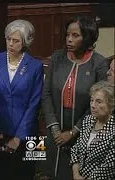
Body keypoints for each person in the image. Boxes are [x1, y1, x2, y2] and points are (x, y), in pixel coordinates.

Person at [41, 16, 109, 180]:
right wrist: (55, 128)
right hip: (51, 130)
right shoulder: (57, 57)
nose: (69, 39)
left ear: (87, 37)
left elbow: (97, 103)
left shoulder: (98, 63)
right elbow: (46, 94)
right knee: (44, 172)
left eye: (75, 35)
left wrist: (73, 131)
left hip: (82, 133)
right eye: (67, 35)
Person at [0, 19, 44, 180]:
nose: (10, 43)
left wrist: (19, 137)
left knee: (27, 174)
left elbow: (35, 104)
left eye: (16, 40)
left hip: (29, 134)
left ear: (25, 42)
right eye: (8, 39)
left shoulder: (36, 66)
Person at [70, 81, 115, 179]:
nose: (93, 105)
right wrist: (76, 174)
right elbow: (76, 149)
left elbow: (110, 166)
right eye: (91, 100)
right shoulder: (88, 120)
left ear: (111, 104)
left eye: (99, 102)